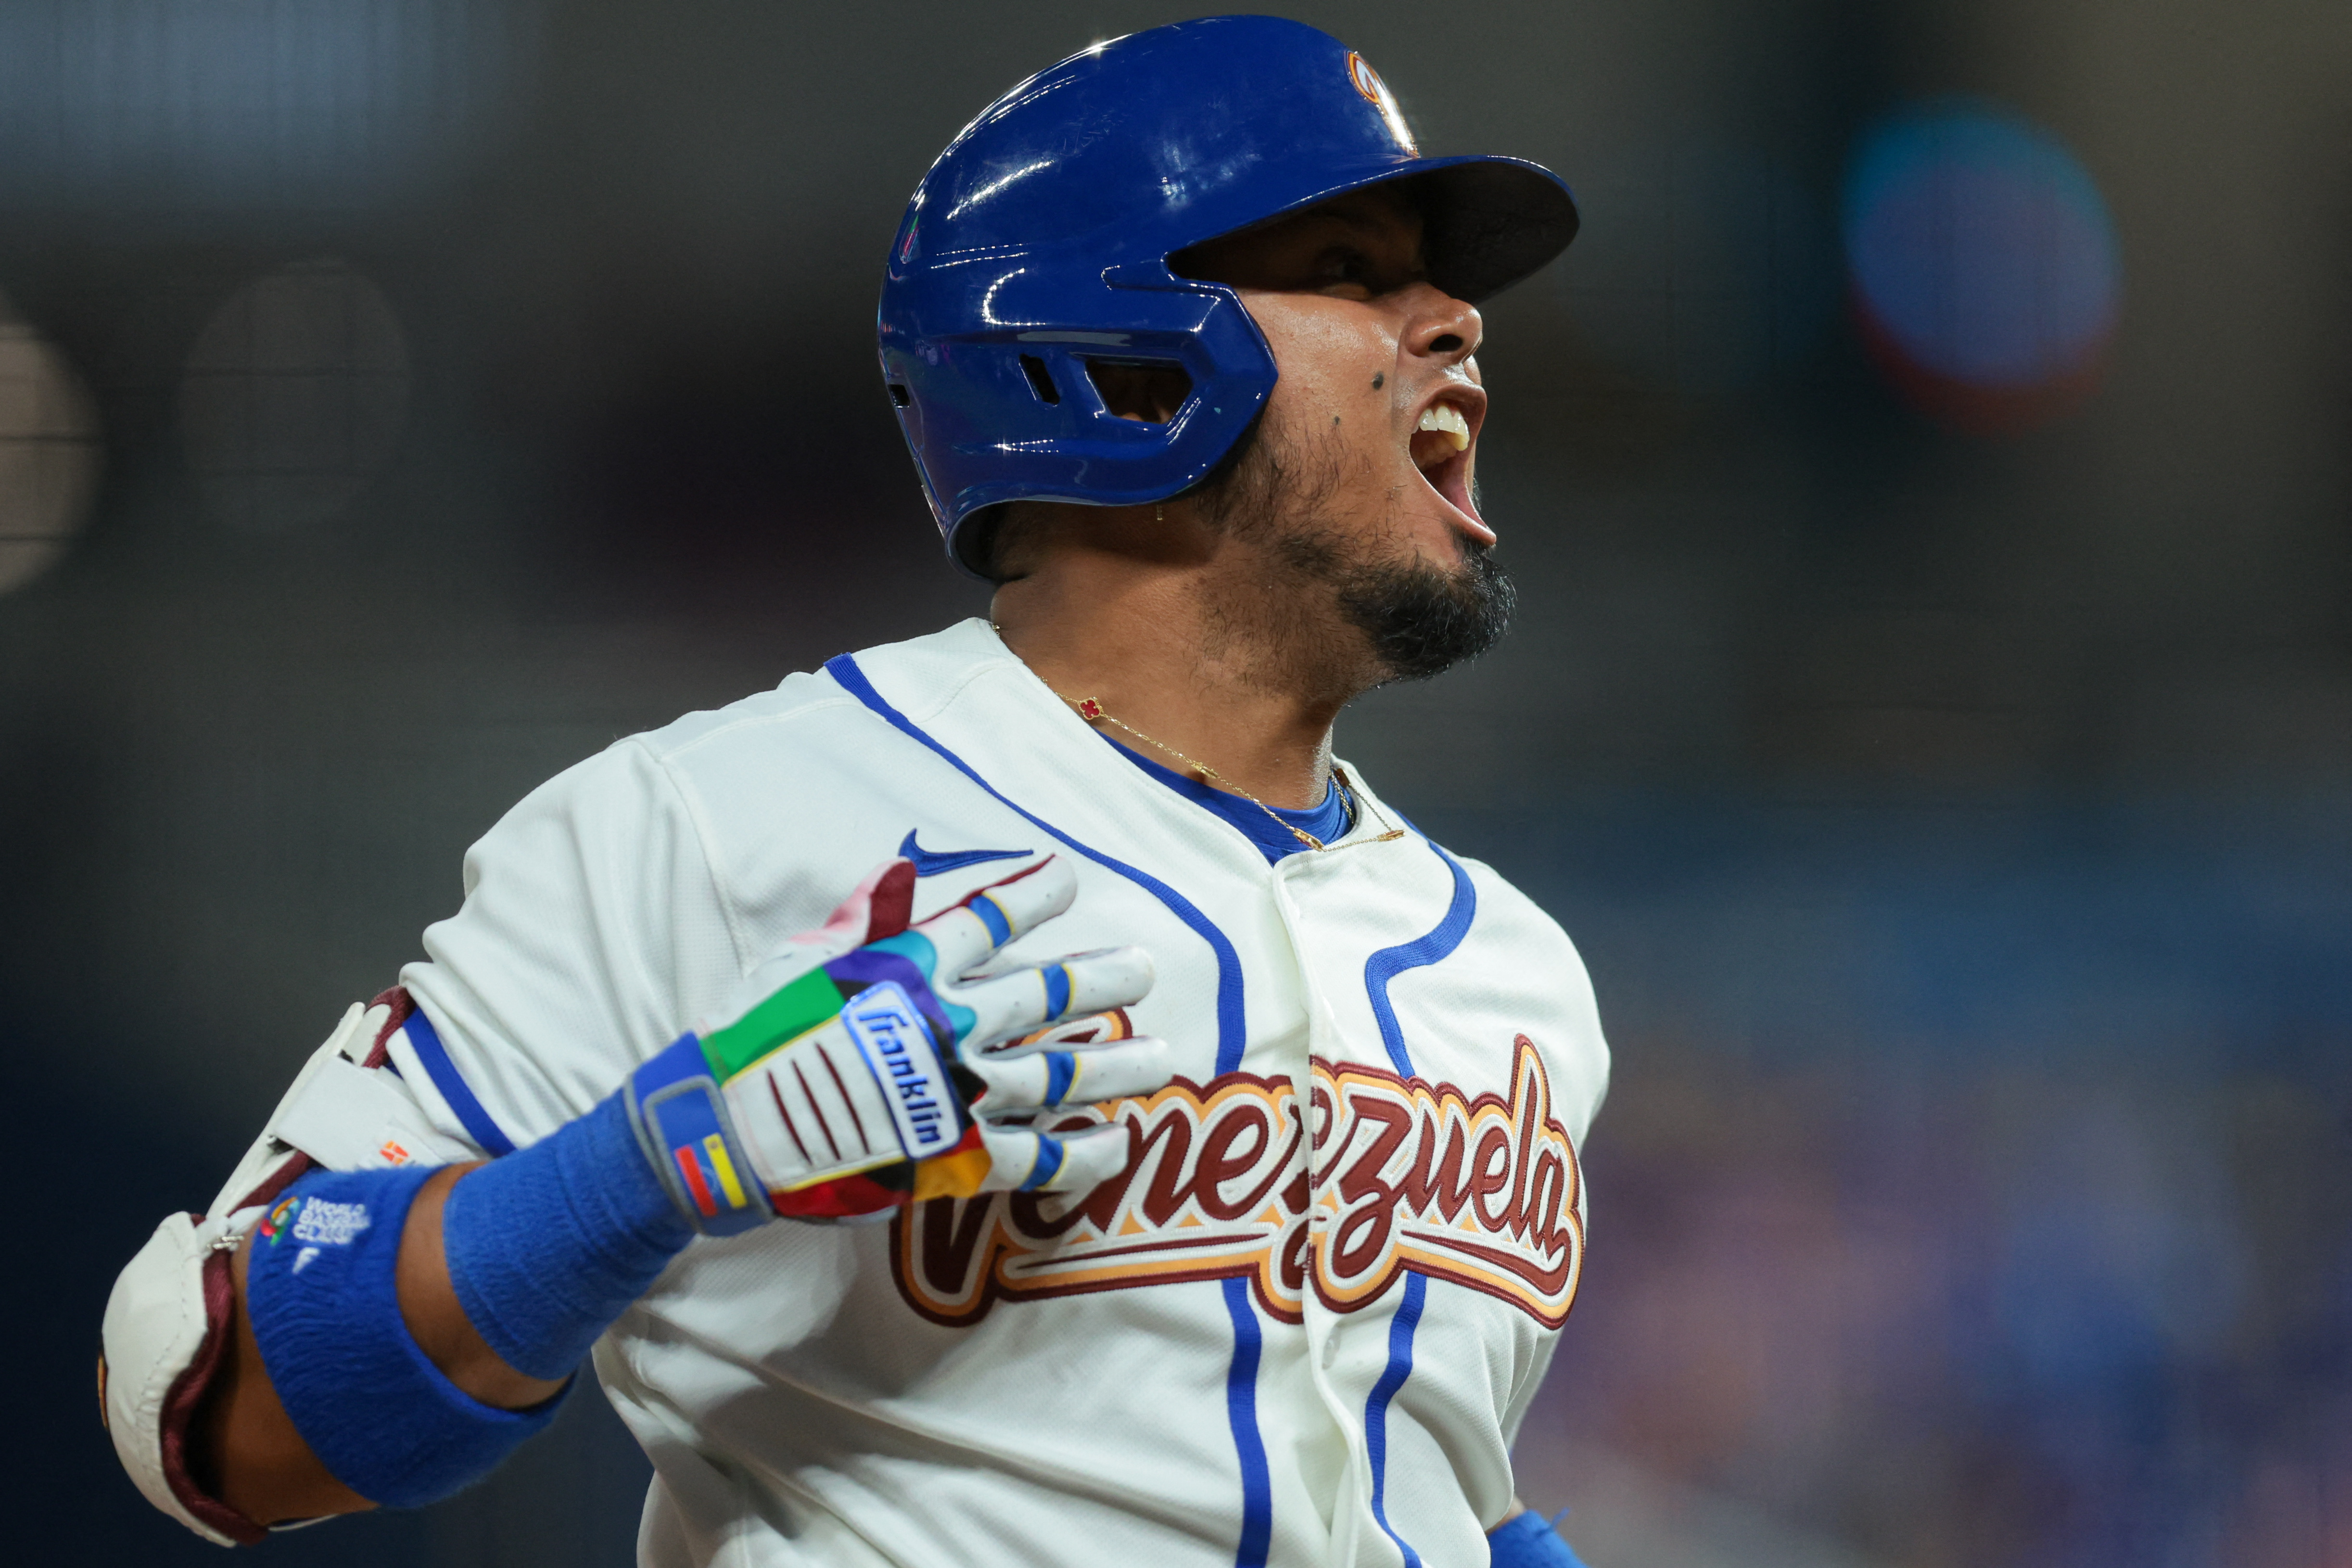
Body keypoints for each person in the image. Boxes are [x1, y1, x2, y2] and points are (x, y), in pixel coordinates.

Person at [102, 17, 1609, 1567]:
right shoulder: (713, 823)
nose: (1453, 321)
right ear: (1117, 361)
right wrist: (670, 1153)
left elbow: (1386, 1499)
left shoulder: (1519, 981)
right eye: (1355, 267)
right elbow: (204, 1402)